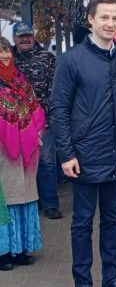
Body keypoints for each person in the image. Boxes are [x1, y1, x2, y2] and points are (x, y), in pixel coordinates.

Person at [51, 0, 116, 287]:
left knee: (113, 221)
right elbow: (59, 109)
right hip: (84, 155)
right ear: (91, 19)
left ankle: (111, 278)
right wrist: (66, 153)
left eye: (115, 18)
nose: (110, 23)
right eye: (104, 17)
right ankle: (83, 280)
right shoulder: (71, 60)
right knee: (82, 223)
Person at [0, 36, 45, 271]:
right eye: (0, 52)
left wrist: (35, 132)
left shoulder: (20, 80)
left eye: (6, 50)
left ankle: (21, 249)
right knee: (5, 200)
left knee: (25, 197)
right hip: (2, 153)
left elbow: (34, 106)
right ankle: (4, 251)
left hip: (26, 152)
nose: (5, 55)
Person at [12, 22, 61, 220]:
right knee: (22, 163)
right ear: (15, 38)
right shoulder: (8, 58)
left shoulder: (47, 57)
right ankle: (26, 204)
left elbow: (55, 88)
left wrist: (46, 114)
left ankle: (50, 204)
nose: (25, 39)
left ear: (33, 36)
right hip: (16, 122)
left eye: (28, 35)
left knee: (47, 162)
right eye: (21, 36)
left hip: (44, 120)